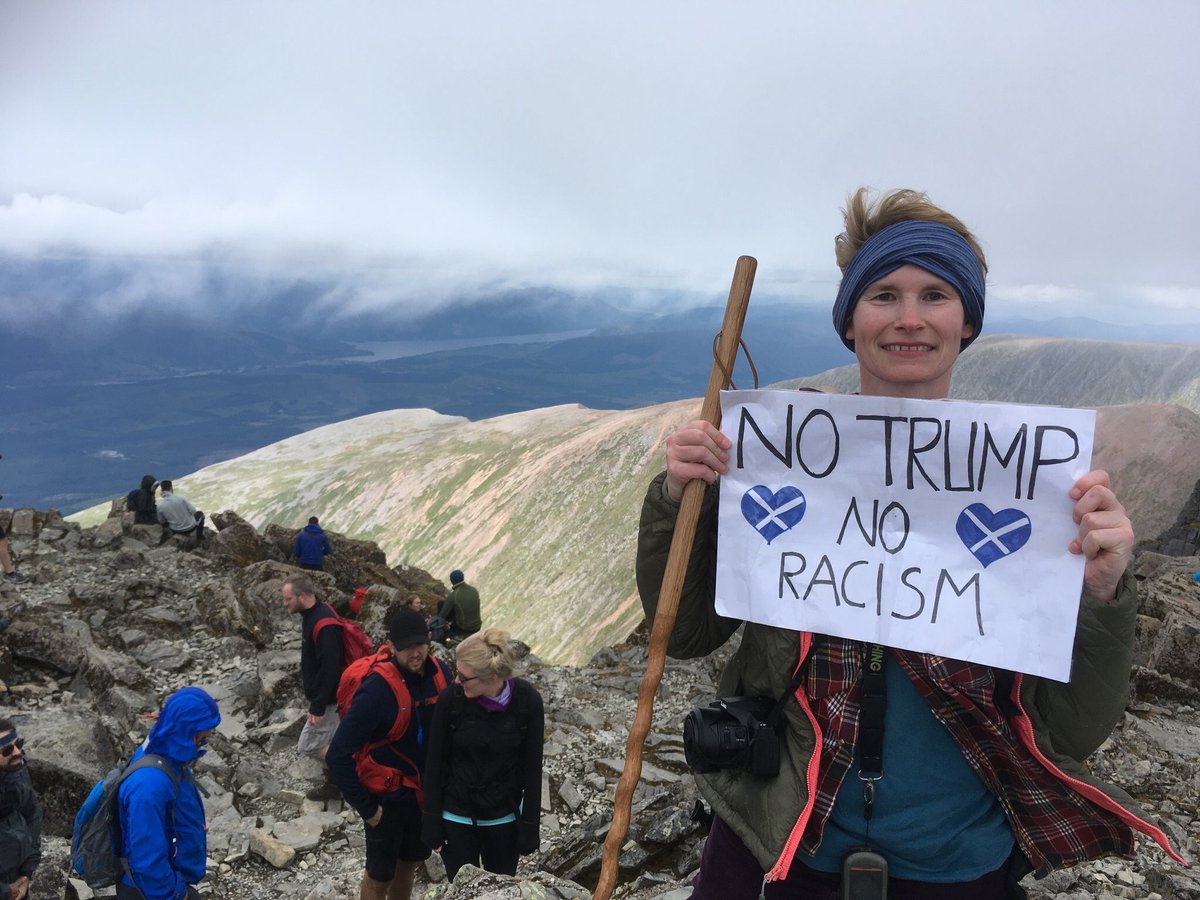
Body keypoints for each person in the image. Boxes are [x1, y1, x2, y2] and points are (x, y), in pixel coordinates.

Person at [636, 188, 1182, 900]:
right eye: (884, 294)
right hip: (778, 842)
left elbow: (1071, 729)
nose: (910, 319)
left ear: (967, 322)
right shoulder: (781, 452)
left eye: (935, 295)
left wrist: (1105, 591)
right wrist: (680, 501)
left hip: (957, 863)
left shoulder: (1035, 489)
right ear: (849, 321)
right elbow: (683, 634)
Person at [327, 608, 451, 900]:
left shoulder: (441, 674)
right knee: (380, 873)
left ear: (428, 640)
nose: (415, 652)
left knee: (410, 863)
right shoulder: (376, 691)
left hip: (425, 795)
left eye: (420, 644)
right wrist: (368, 810)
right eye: (406, 646)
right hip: (388, 798)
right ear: (393, 647)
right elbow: (338, 755)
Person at [421, 628, 544, 879]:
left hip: (504, 819)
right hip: (456, 818)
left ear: (491, 676)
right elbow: (434, 763)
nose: (457, 681)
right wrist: (431, 821)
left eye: (464, 677)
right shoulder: (451, 701)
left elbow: (532, 768)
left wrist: (530, 825)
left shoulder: (528, 702)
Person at [116, 686, 220, 900]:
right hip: (151, 891)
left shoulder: (166, 751)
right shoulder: (148, 785)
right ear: (186, 730)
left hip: (166, 880)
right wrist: (176, 894)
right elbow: (146, 857)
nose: (209, 736)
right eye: (203, 734)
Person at [281, 575, 346, 800]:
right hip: (326, 697)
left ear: (304, 596)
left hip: (329, 700)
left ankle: (350, 771)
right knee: (329, 741)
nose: (285, 603)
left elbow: (331, 669)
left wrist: (318, 705)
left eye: (288, 598)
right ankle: (335, 784)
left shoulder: (323, 623)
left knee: (307, 745)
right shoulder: (313, 614)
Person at [0, 720, 41, 900]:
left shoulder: (17, 770)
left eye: (19, 744)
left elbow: (32, 813)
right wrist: (5, 892)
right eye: (7, 750)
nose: (17, 752)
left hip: (17, 877)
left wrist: (26, 873)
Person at [155, 480, 206, 545]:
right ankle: (199, 536)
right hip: (191, 527)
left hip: (176, 530)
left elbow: (161, 520)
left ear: (162, 490)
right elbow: (193, 511)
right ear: (171, 487)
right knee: (200, 514)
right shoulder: (181, 498)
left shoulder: (159, 505)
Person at [439, 570, 481, 640]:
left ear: (452, 581)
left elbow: (442, 615)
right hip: (478, 626)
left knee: (440, 604)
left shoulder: (453, 596)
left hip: (465, 629)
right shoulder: (474, 590)